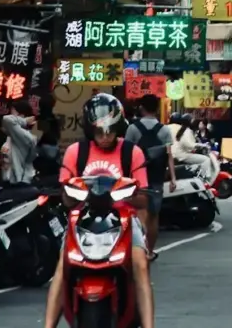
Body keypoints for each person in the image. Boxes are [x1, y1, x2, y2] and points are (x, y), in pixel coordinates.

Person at [45, 94, 152, 328]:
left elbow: (143, 199)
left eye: (110, 131)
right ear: (89, 129)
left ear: (118, 128)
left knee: (140, 265)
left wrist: (126, 194)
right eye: (99, 131)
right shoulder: (76, 152)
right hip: (82, 220)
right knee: (62, 268)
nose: (105, 137)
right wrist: (74, 195)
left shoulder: (132, 152)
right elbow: (66, 198)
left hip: (124, 219)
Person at [125, 94, 176, 256]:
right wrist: (173, 178)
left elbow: (126, 154)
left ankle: (138, 251)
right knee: (154, 217)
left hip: (136, 179)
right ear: (156, 109)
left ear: (141, 108)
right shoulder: (164, 130)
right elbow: (169, 156)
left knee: (139, 214)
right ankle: (150, 251)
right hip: (156, 178)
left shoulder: (133, 129)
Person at [171, 112, 219, 184]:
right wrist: (202, 145)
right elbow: (188, 144)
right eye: (192, 120)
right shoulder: (187, 131)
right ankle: (204, 179)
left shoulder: (185, 130)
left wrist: (200, 145)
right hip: (183, 155)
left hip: (181, 154)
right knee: (206, 159)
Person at [0, 101, 37, 185]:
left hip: (21, 181)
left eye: (12, 112)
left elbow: (7, 119)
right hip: (10, 179)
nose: (10, 114)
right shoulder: (11, 136)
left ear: (22, 116)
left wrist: (24, 121)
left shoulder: (24, 136)